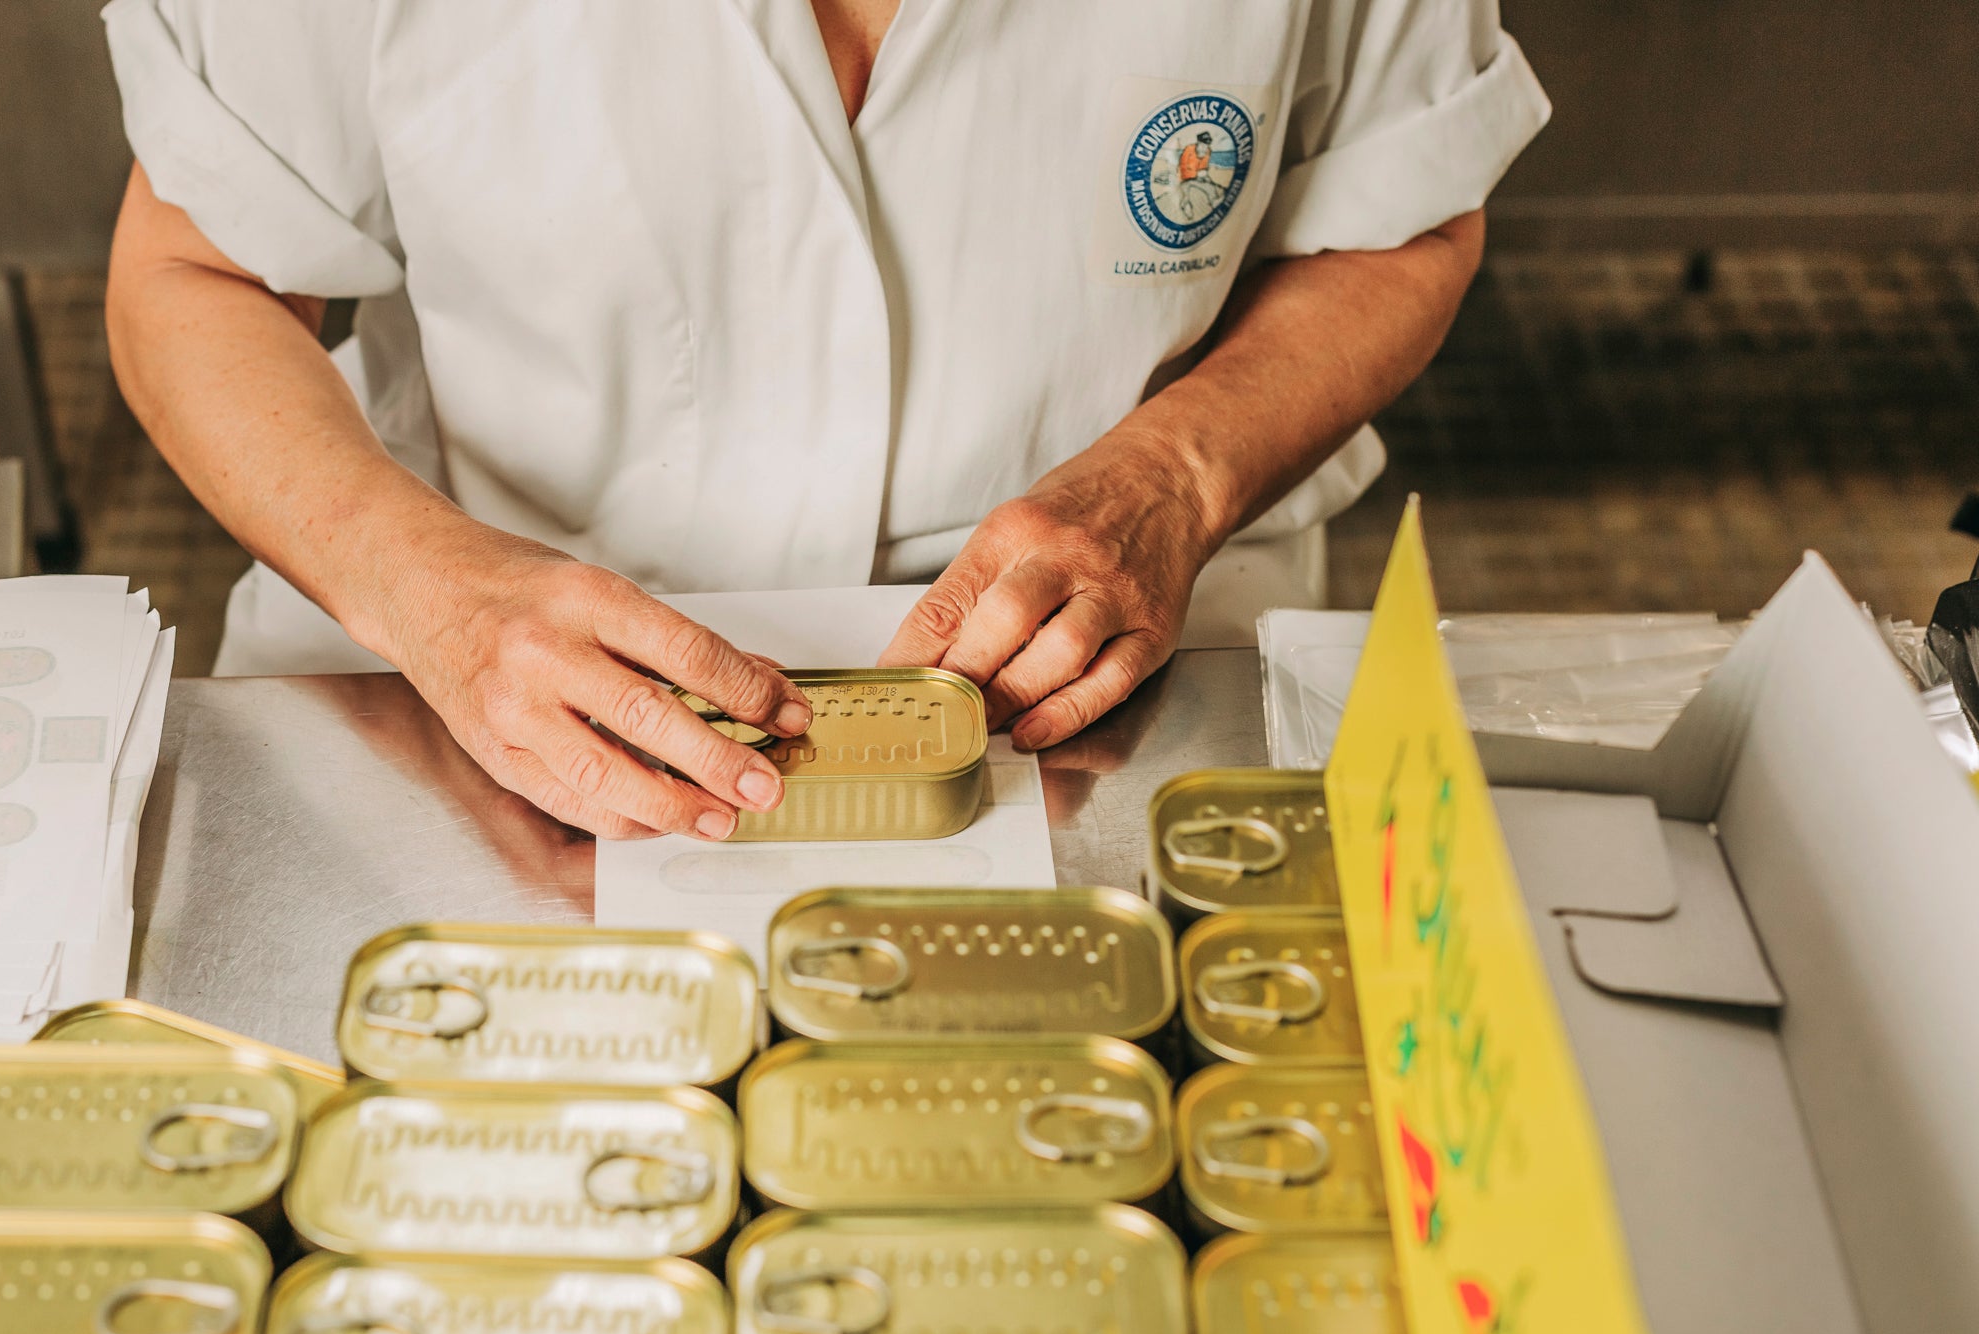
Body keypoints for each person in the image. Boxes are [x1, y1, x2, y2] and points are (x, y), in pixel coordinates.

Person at [102, 0, 1548, 841]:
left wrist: (1176, 470)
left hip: (1135, 676)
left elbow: (1402, 211)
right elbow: (197, 268)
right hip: (480, 662)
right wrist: (431, 593)